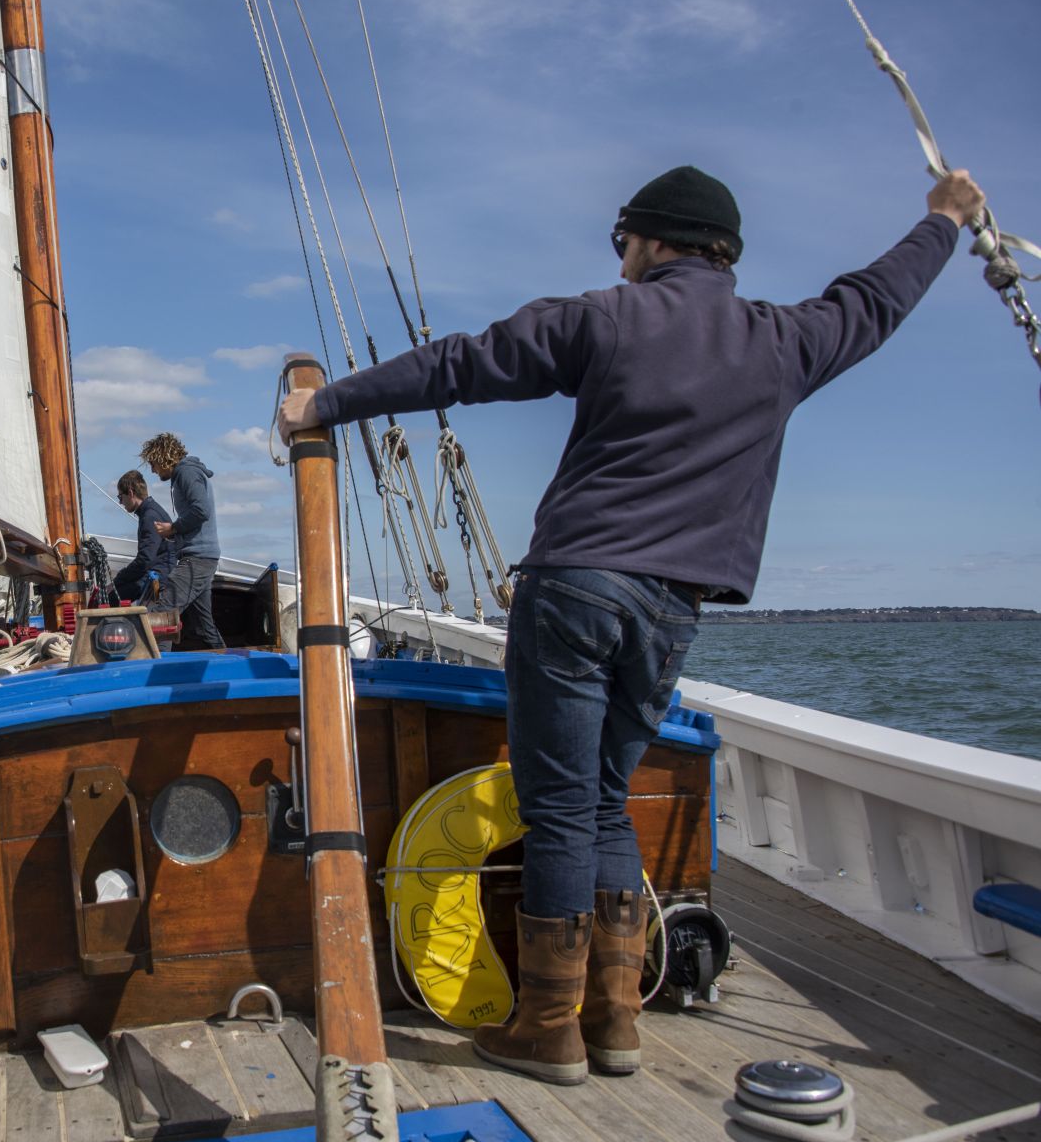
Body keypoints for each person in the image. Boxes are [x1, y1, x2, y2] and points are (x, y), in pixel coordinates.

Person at [278, 166, 986, 1085]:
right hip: (675, 608)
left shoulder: (606, 317)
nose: (619, 258)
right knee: (606, 799)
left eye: (623, 243)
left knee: (562, 805)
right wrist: (943, 222)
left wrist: (324, 403)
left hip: (576, 586)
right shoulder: (788, 341)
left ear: (650, 243)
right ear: (724, 253)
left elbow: (462, 362)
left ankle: (548, 1026)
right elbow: (878, 297)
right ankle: (613, 1020)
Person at [139, 432, 226, 649]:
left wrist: (173, 528)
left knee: (162, 615)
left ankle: (157, 670)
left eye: (153, 464)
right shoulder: (185, 474)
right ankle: (229, 665)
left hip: (197, 559)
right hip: (202, 557)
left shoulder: (186, 473)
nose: (153, 470)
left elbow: (201, 510)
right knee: (204, 628)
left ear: (163, 457)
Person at [111, 469, 175, 603]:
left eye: (120, 497)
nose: (120, 502)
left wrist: (116, 581)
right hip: (159, 572)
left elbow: (145, 560)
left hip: (157, 576)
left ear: (130, 493)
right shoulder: (150, 511)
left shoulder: (149, 516)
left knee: (109, 597)